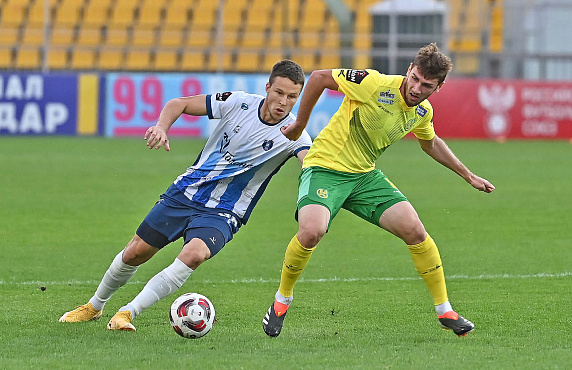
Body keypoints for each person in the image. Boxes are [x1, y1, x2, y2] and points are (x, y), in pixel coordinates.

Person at [262, 43, 495, 338]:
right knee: (311, 232)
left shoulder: (422, 111)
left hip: (364, 177)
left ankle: (445, 310)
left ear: (438, 87)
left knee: (415, 230)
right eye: (415, 79)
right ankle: (282, 301)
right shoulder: (372, 83)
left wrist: (468, 175)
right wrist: (299, 125)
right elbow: (320, 77)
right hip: (325, 167)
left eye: (426, 85)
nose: (417, 88)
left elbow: (431, 143)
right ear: (409, 70)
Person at [59, 60, 312, 331]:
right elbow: (177, 103)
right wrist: (161, 127)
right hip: (186, 191)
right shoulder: (238, 102)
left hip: (225, 211)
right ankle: (94, 306)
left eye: (292, 97)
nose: (284, 102)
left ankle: (127, 313)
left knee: (194, 254)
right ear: (268, 88)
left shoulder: (296, 135)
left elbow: (310, 163)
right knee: (135, 252)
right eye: (279, 93)